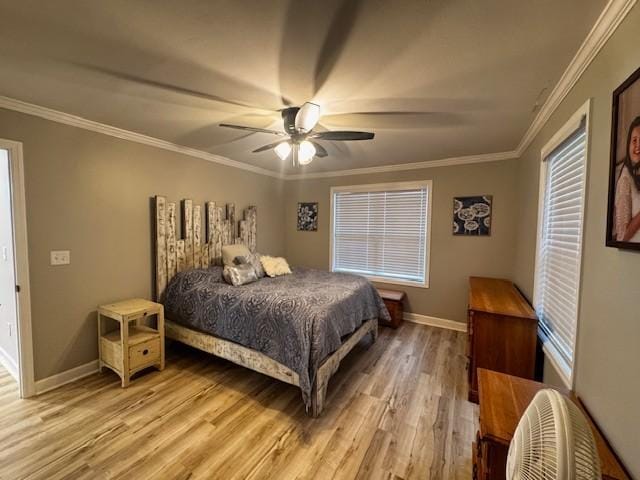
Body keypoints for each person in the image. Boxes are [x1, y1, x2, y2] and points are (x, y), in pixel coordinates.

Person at [615, 115, 640, 242]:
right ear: (628, 144)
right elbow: (621, 236)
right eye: (634, 140)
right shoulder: (625, 179)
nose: (638, 146)